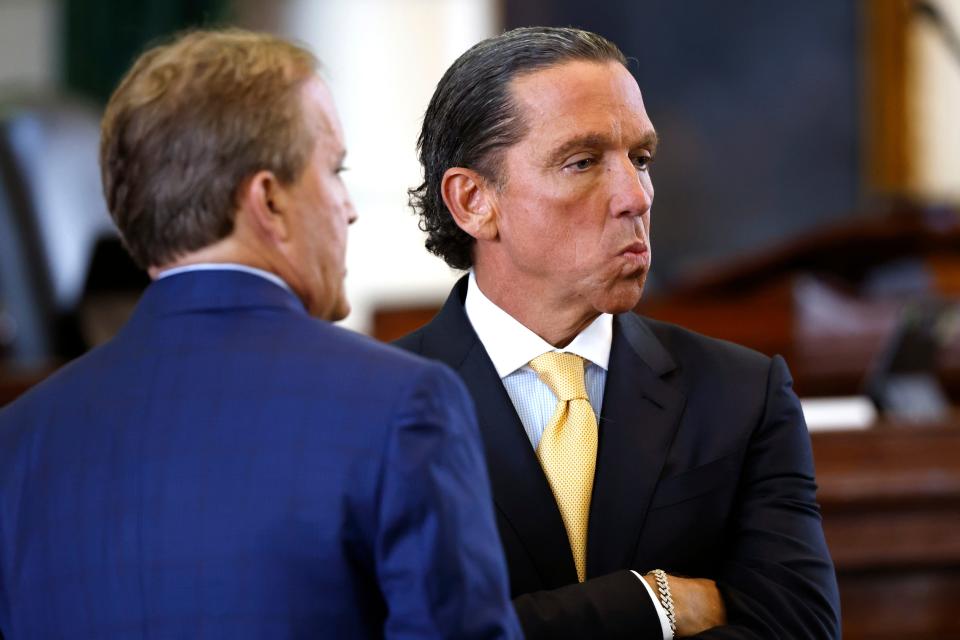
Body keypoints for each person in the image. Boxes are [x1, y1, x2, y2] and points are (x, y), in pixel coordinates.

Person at [0, 29, 521, 639]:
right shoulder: (404, 407)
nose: (348, 207)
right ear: (269, 202)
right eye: (334, 169)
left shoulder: (17, 442)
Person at [397, 26, 841, 639]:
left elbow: (799, 629)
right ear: (473, 200)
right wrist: (653, 602)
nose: (636, 196)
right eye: (582, 162)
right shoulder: (375, 405)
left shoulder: (742, 393)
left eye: (641, 159)